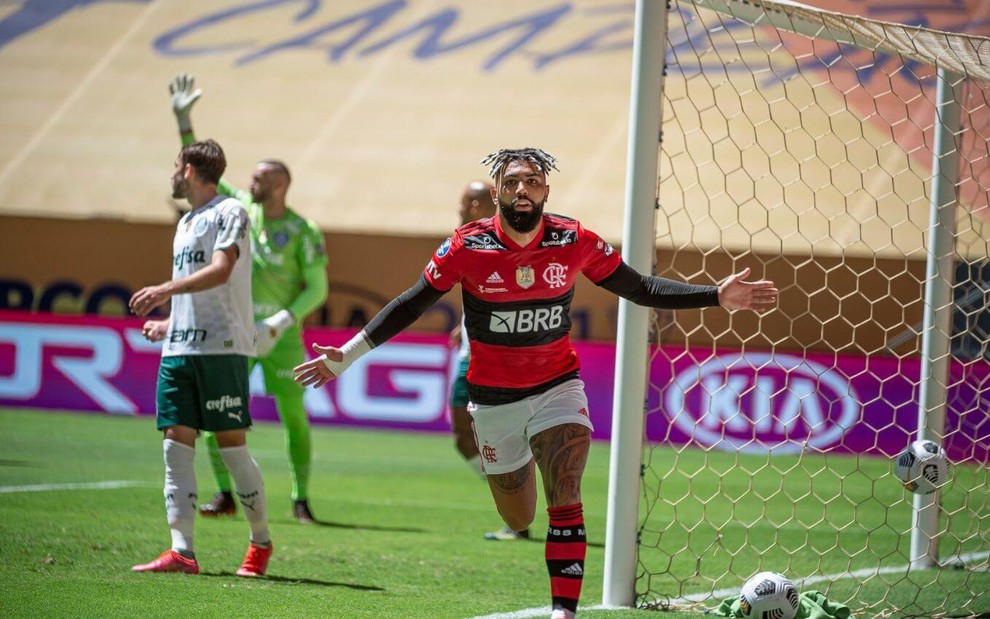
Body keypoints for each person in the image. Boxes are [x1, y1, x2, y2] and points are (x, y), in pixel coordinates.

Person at [293, 148, 777, 618]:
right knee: (519, 518)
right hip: (493, 398)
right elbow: (411, 302)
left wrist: (716, 295)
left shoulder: (574, 240)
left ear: (546, 189)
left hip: (557, 387)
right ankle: (518, 495)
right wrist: (348, 354)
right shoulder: (467, 245)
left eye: (532, 182)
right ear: (499, 192)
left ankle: (562, 611)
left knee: (566, 491)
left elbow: (640, 287)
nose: (522, 190)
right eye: (512, 183)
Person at [168, 74, 329, 524]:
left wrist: (282, 320)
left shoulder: (303, 230)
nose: (251, 183)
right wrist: (185, 122)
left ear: (280, 184)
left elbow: (318, 288)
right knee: (222, 414)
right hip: (236, 331)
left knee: (294, 417)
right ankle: (225, 494)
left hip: (281, 335)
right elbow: (200, 172)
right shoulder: (239, 208)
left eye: (260, 178)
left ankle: (300, 498)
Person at [130, 139, 273, 577]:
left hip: (222, 348)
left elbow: (220, 271)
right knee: (175, 445)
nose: (172, 173)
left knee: (232, 450)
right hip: (180, 349)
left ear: (190, 169)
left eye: (176, 165)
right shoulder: (187, 220)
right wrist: (171, 322)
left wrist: (162, 291)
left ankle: (260, 541)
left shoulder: (230, 211)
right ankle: (182, 551)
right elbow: (199, 293)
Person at [447, 180, 530, 541]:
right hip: (471, 352)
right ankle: (515, 505)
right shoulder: (470, 243)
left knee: (494, 438)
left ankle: (518, 515)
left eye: (465, 202)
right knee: (464, 438)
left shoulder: (501, 243)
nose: (460, 209)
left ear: (480, 205)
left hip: (492, 358)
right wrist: (462, 323)